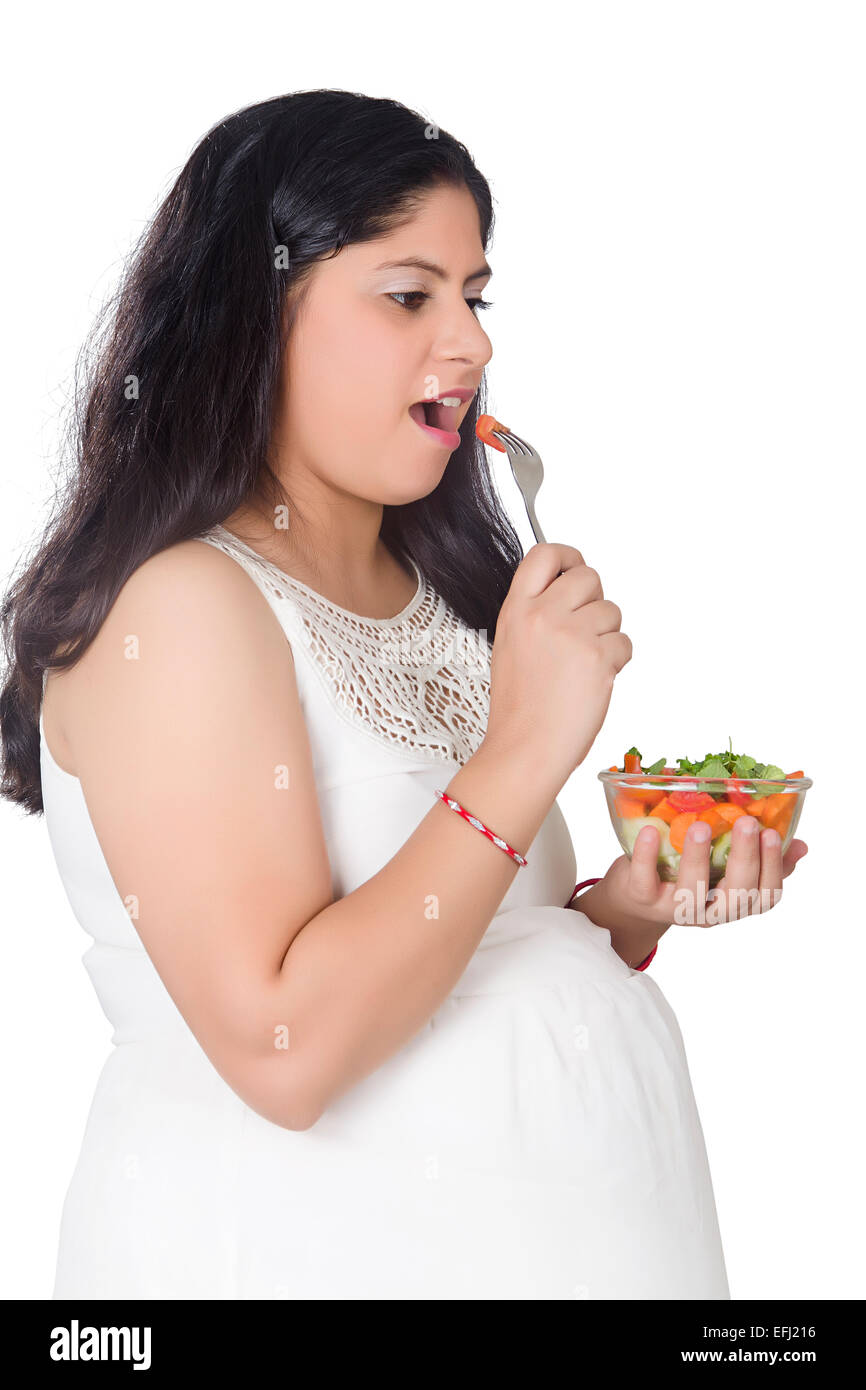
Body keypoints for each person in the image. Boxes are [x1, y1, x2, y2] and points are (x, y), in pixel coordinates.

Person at [0, 90, 806, 1300]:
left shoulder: (443, 595)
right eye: (407, 293)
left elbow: (457, 950)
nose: (471, 343)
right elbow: (286, 1050)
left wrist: (620, 913)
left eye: (473, 296)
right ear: (253, 318)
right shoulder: (178, 610)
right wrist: (526, 744)